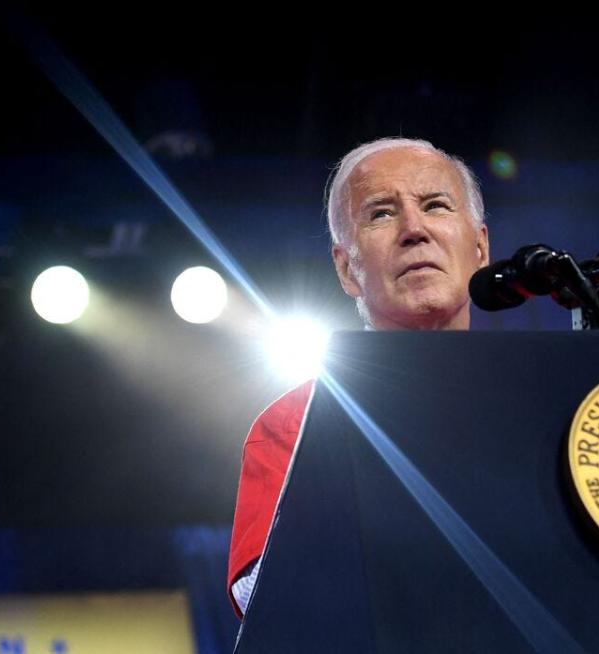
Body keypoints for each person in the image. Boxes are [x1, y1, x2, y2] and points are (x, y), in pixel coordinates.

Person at [226, 137, 491, 617]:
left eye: (435, 205)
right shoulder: (294, 424)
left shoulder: (545, 397)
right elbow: (270, 601)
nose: (414, 229)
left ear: (480, 246)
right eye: (382, 214)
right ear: (347, 269)